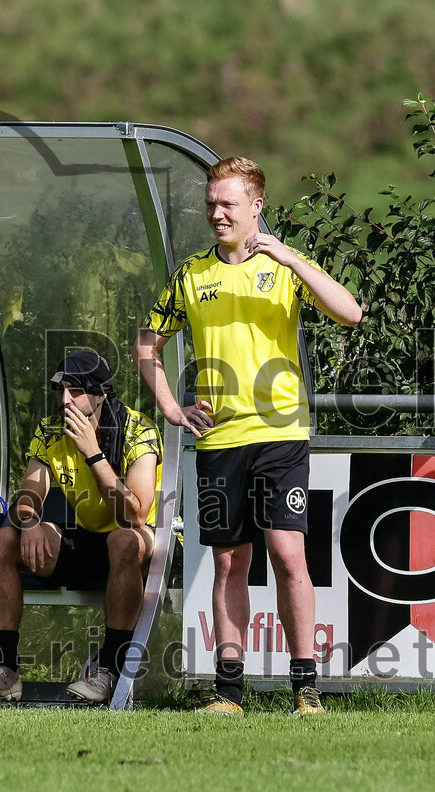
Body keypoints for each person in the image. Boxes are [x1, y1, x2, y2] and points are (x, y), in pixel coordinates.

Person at [133, 156, 362, 715]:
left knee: (287, 553)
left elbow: (350, 313)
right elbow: (146, 341)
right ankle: (227, 692)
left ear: (256, 206)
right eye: (211, 203)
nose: (216, 213)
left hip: (281, 434)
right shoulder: (192, 275)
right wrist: (171, 407)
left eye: (227, 204)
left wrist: (289, 256)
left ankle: (306, 687)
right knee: (230, 562)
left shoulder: (285, 267)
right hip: (218, 440)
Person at [0, 350, 161, 704]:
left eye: (76, 390)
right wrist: (30, 520)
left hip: (137, 544)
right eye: (60, 390)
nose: (64, 399)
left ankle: (109, 672)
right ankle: (4, 670)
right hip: (85, 540)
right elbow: (28, 494)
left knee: (122, 540)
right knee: (3, 539)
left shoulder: (138, 429)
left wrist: (93, 453)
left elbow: (135, 515)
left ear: (100, 394)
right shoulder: (50, 430)